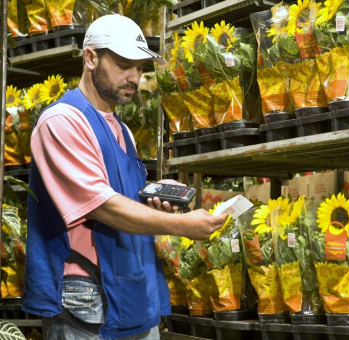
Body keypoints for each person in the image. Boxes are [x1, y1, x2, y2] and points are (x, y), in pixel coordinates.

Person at [21, 14, 227, 340]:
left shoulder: (123, 130)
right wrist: (183, 226)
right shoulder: (61, 121)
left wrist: (154, 195)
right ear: (90, 57)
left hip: (132, 286)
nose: (134, 77)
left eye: (140, 68)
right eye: (123, 64)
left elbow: (118, 193)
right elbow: (101, 205)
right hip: (85, 293)